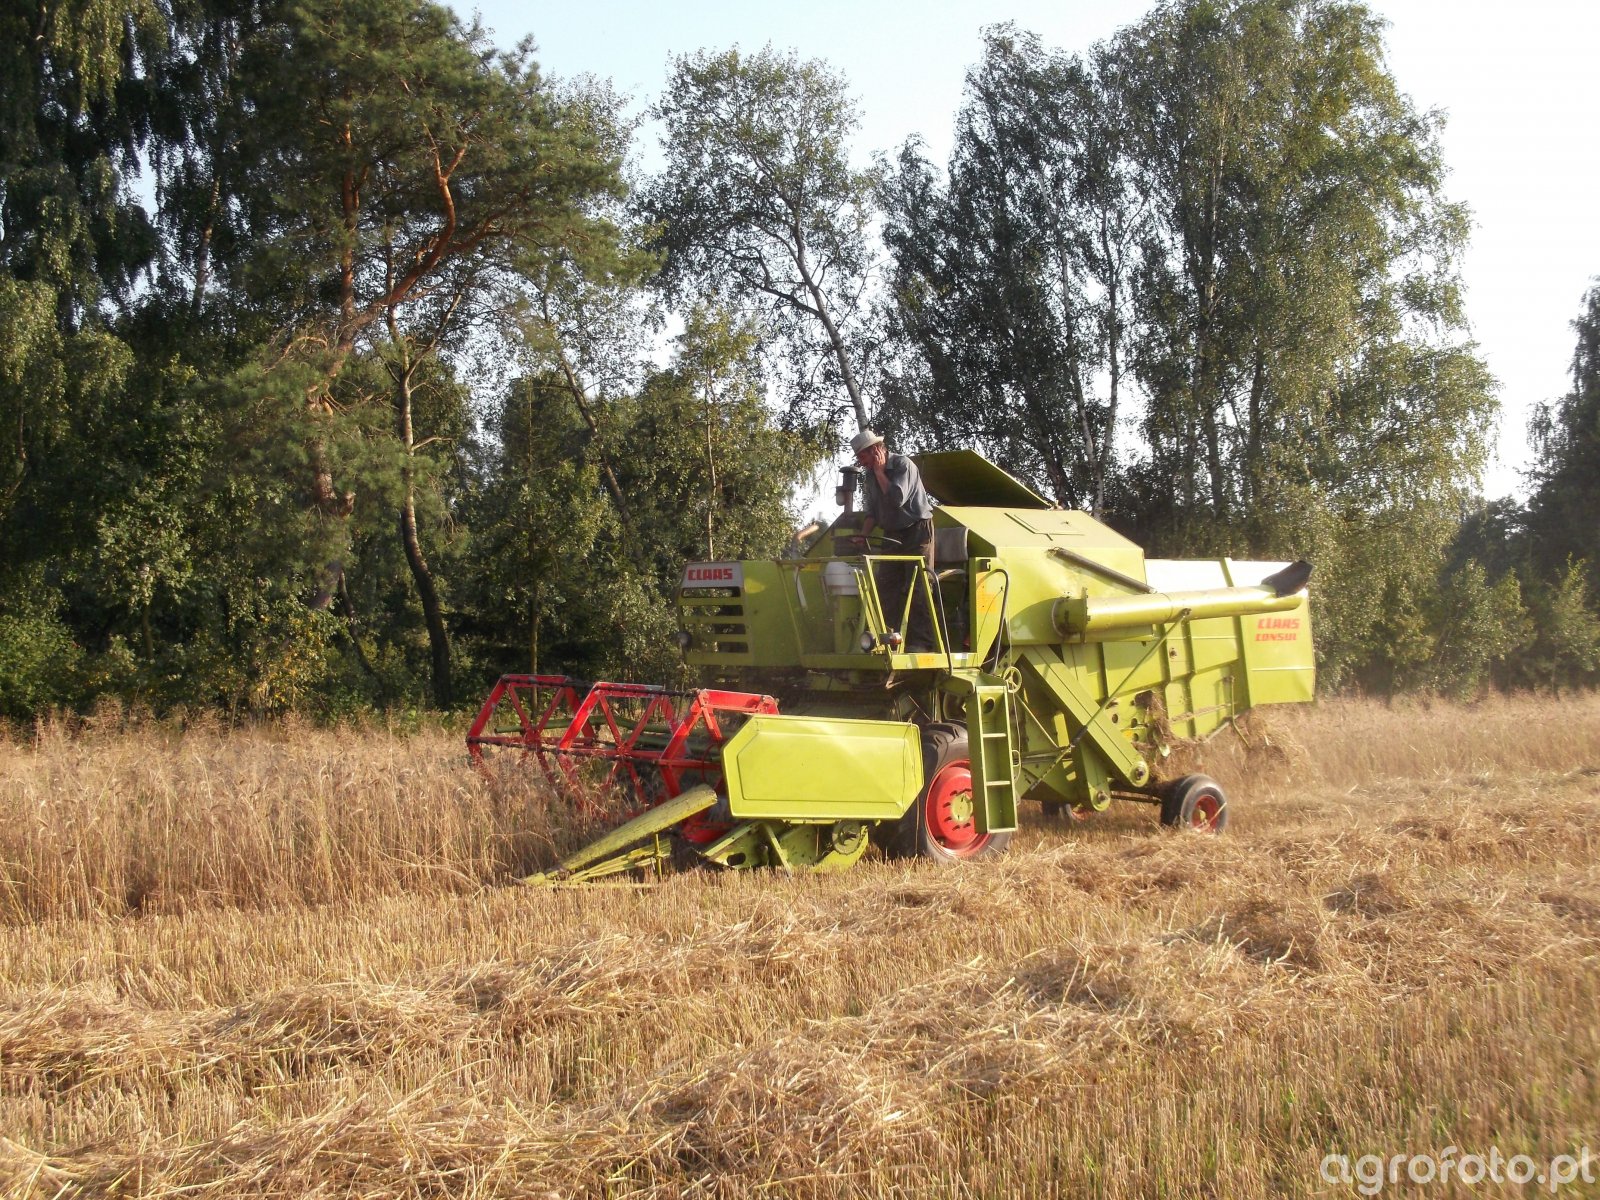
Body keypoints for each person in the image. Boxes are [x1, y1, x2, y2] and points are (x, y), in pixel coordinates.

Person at [849, 429, 937, 651]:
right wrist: (863, 535)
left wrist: (880, 472)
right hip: (892, 533)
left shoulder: (902, 465)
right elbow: (873, 511)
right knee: (885, 585)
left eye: (862, 456)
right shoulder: (870, 475)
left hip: (917, 531)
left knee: (918, 586)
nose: (861, 462)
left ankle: (922, 644)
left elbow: (897, 498)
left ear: (875, 450)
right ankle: (887, 640)